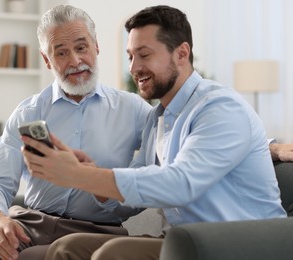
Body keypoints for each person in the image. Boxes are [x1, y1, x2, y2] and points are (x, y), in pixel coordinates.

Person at [23, 5, 287, 260]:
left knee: (111, 255)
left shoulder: (220, 107)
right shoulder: (157, 119)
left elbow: (180, 184)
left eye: (144, 55)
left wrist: (80, 175)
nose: (134, 67)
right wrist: (96, 181)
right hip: (185, 242)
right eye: (130, 56)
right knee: (69, 248)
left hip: (241, 245)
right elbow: (135, 197)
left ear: (182, 54)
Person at [0, 5, 152, 260]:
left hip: (97, 231)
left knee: (36, 256)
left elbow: (149, 183)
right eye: (62, 53)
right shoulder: (29, 112)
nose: (75, 61)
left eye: (81, 47)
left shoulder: (134, 110)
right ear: (47, 60)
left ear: (96, 46)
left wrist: (93, 179)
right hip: (32, 222)